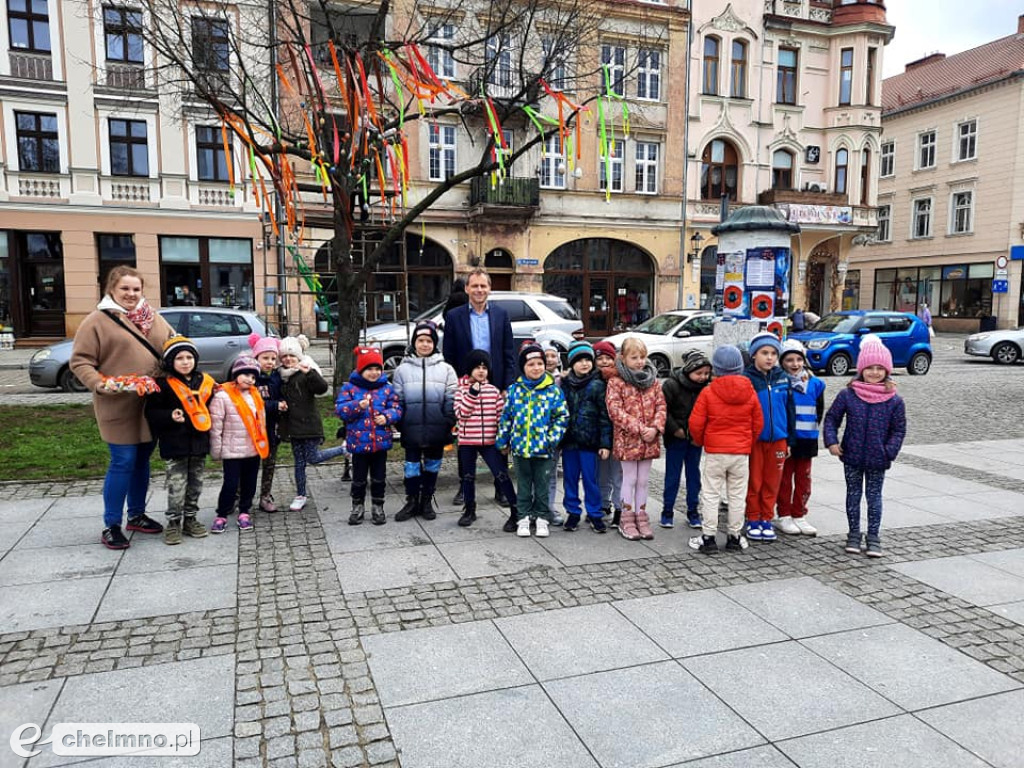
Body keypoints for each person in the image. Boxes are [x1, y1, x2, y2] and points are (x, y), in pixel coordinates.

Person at [70, 266, 176, 550]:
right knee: (123, 461)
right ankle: (111, 524)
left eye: (136, 289)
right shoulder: (97, 320)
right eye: (125, 289)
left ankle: (137, 515)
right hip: (117, 403)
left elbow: (173, 346)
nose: (131, 294)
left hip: (150, 403)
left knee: (142, 460)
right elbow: (80, 361)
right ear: (111, 290)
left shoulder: (153, 318)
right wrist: (99, 383)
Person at [824, 337, 907, 557]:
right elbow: (832, 418)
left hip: (878, 459)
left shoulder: (894, 400)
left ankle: (873, 536)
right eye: (870, 368)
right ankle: (853, 534)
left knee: (874, 497)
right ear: (861, 369)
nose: (874, 372)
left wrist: (889, 451)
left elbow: (898, 430)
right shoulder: (848, 395)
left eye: (880, 368)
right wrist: (832, 441)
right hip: (851, 456)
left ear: (887, 371)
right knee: (853, 495)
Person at [443, 268, 516, 507]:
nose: (479, 290)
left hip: (495, 386)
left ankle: (501, 487)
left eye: (483, 286)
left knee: (498, 435)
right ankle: (465, 488)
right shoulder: (454, 317)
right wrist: (459, 385)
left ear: (489, 288)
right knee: (466, 438)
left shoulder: (501, 315)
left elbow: (508, 352)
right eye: (474, 286)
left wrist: (506, 385)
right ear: (466, 289)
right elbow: (449, 354)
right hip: (467, 385)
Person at [687, 345, 762, 554]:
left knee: (711, 494)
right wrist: (748, 442)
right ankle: (734, 537)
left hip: (715, 451)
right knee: (737, 495)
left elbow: (695, 423)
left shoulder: (708, 392)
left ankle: (709, 538)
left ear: (716, 369)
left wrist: (701, 440)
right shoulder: (749, 391)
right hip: (740, 452)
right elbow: (758, 422)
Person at [145, 336, 215, 545]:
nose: (185, 362)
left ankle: (191, 519)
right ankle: (173, 522)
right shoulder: (162, 385)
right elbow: (151, 412)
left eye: (189, 357)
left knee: (195, 485)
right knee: (177, 487)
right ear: (169, 362)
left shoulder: (204, 381)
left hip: (199, 443)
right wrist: (169, 416)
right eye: (179, 358)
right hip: (175, 445)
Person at [496, 343, 568, 538]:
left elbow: (561, 417)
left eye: (539, 363)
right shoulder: (514, 391)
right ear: (523, 368)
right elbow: (506, 417)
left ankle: (542, 517)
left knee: (543, 485)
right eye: (531, 364)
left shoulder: (552, 391)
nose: (536, 368)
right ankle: (524, 517)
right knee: (524, 485)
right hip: (521, 449)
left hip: (544, 449)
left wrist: (551, 439)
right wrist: (502, 442)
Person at [393, 320, 458, 521]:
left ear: (434, 344)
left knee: (432, 465)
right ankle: (412, 500)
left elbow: (451, 398)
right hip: (411, 428)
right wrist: (401, 422)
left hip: (436, 428)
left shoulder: (446, 369)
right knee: (411, 466)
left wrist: (447, 421)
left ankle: (427, 500)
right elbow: (398, 399)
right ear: (414, 343)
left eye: (429, 341)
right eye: (420, 340)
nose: (424, 345)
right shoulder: (401, 370)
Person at [606, 337, 667, 541]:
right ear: (623, 358)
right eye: (634, 358)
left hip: (649, 439)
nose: (640, 361)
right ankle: (626, 516)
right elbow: (615, 410)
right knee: (629, 479)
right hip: (628, 441)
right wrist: (640, 428)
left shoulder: (653, 381)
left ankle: (641, 515)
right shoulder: (616, 382)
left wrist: (656, 428)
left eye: (642, 357)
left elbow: (661, 406)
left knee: (643, 480)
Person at [278, 334, 347, 512]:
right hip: (293, 428)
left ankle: (344, 449)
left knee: (313, 458)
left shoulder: (305, 373)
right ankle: (300, 495)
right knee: (299, 463)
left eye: (292, 355)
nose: (288, 359)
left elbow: (322, 388)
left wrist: (310, 373)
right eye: (284, 356)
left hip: (310, 426)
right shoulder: (282, 377)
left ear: (299, 356)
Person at [335, 346, 402, 526]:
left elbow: (397, 408)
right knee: (358, 479)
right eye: (369, 369)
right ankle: (357, 507)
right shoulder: (350, 388)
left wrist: (387, 417)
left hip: (380, 443)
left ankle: (378, 506)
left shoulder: (386, 388)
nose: (374, 373)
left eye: (377, 369)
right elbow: (341, 410)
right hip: (358, 444)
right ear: (361, 370)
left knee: (379, 478)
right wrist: (358, 405)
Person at [453, 350, 519, 529]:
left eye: (484, 367)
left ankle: (515, 510)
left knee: (501, 474)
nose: (481, 371)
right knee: (468, 477)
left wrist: (504, 440)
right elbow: (460, 414)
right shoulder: (461, 391)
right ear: (469, 370)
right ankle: (470, 509)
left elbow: (501, 416)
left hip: (490, 441)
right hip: (467, 442)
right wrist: (472, 394)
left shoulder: (493, 391)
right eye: (477, 367)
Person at [743, 332, 794, 543]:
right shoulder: (747, 379)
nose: (770, 357)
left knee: (772, 481)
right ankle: (752, 517)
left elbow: (790, 410)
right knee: (754, 480)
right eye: (765, 353)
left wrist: (790, 439)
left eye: (773, 353)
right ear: (754, 355)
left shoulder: (783, 377)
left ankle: (766, 518)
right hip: (756, 440)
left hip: (779, 439)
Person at [209, 356, 270, 533]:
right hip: (232, 451)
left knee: (249, 483)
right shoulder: (222, 396)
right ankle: (221, 513)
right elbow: (216, 425)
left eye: (253, 377)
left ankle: (245, 511)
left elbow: (261, 422)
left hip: (253, 449)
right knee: (230, 483)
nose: (249, 379)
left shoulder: (256, 395)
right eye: (245, 374)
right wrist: (217, 449)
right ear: (235, 374)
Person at [559, 341, 612, 533]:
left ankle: (595, 513)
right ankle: (573, 512)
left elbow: (605, 416)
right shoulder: (564, 385)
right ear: (572, 363)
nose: (584, 364)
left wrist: (605, 443)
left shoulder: (598, 385)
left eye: (588, 360)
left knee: (591, 479)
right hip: (570, 442)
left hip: (590, 442)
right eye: (579, 360)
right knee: (570, 479)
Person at [775, 340, 825, 536]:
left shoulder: (816, 384)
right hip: (787, 439)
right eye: (789, 360)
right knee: (784, 479)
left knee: (804, 478)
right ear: (782, 362)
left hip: (807, 438)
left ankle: (799, 513)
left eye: (798, 359)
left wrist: (812, 429)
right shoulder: (780, 383)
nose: (795, 364)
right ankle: (784, 513)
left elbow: (819, 410)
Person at [661, 350, 712, 530]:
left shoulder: (707, 388)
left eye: (706, 373)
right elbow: (663, 411)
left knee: (694, 476)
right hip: (676, 437)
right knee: (672, 476)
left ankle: (693, 510)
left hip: (696, 439)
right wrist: (675, 429)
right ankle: (667, 511)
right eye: (699, 373)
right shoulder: (671, 385)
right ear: (688, 370)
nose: (702, 377)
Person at [249, 333, 285, 513]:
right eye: (265, 358)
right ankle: (242, 496)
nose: (269, 362)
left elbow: (281, 395)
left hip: (272, 429)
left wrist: (283, 403)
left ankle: (265, 495)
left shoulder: (277, 377)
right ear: (256, 357)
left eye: (273, 358)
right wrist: (274, 405)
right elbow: (252, 404)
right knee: (249, 465)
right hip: (253, 430)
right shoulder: (250, 378)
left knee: (269, 465)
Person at [594, 340, 623, 527]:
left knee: (617, 474)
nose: (604, 362)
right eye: (600, 358)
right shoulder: (592, 380)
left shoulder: (621, 379)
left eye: (608, 358)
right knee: (601, 473)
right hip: (598, 434)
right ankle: (604, 504)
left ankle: (619, 507)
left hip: (619, 433)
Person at [542, 341, 566, 526]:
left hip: (554, 437)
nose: (550, 359)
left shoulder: (563, 380)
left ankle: (548, 507)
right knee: (535, 476)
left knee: (550, 474)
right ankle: (535, 508)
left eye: (553, 356)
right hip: (535, 437)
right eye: (546, 355)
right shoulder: (531, 379)